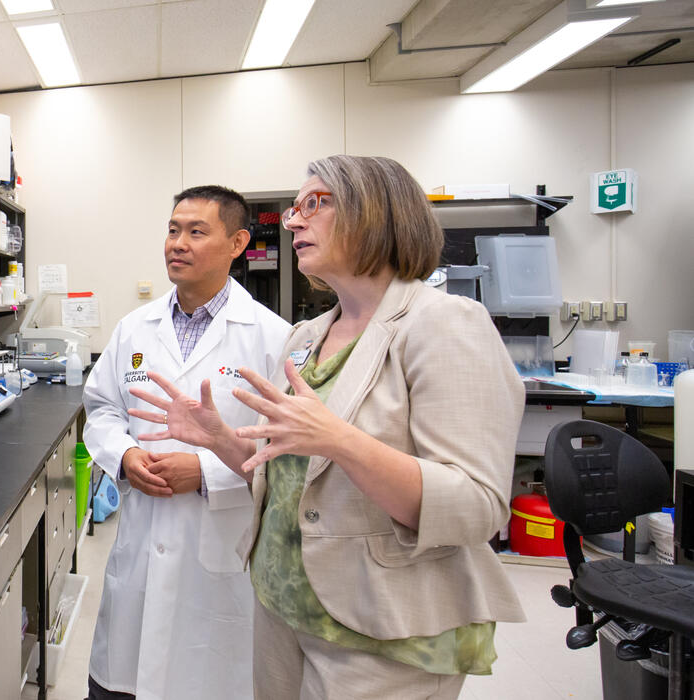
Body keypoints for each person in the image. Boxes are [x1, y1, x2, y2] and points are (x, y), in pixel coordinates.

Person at [129, 155, 526, 699]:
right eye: (295, 209)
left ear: (376, 213)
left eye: (313, 204)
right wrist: (219, 438)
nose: (293, 221)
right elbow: (288, 479)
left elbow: (475, 506)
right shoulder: (307, 337)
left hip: (377, 632)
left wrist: (339, 439)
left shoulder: (443, 324)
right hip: (280, 608)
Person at [81, 185, 290, 699]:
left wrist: (207, 473)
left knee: (208, 680)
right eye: (173, 230)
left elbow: (293, 452)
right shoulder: (135, 329)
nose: (178, 243)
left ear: (238, 243)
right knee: (122, 681)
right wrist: (125, 456)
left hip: (219, 549)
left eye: (197, 232)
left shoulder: (273, 337)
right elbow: (102, 407)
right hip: (142, 537)